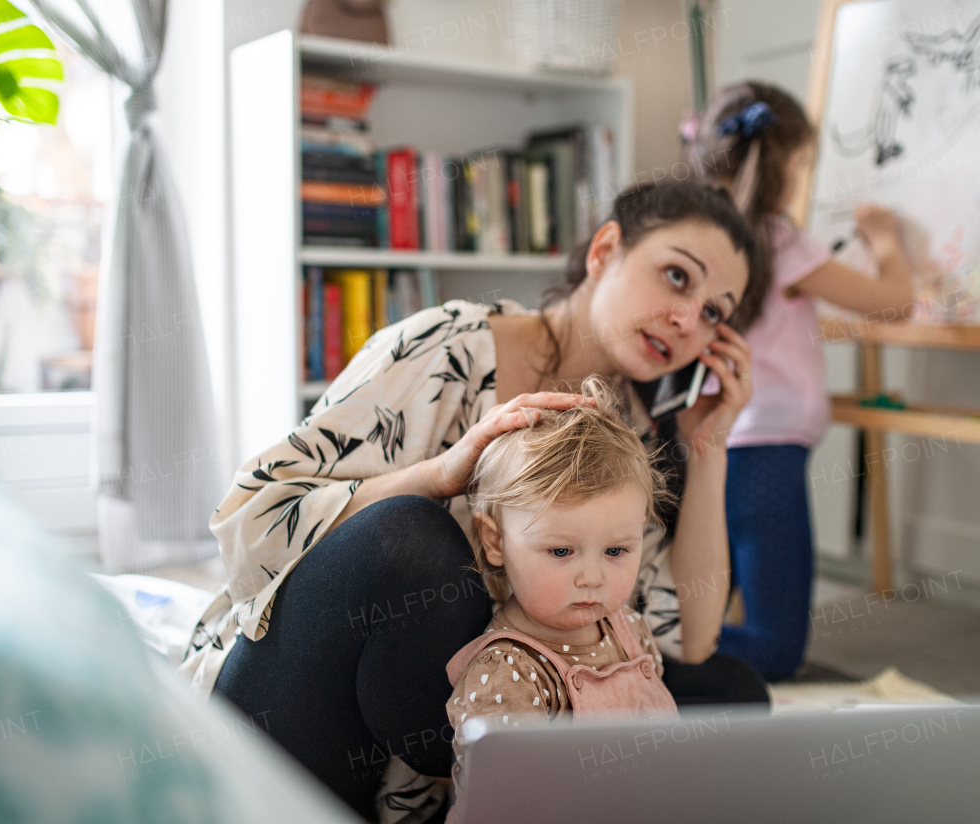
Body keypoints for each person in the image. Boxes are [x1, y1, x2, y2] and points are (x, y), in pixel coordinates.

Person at [184, 180, 770, 823]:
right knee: (413, 540)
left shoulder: (626, 435)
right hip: (307, 704)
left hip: (463, 728)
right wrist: (439, 474)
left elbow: (684, 638)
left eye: (717, 312)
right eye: (676, 277)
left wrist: (708, 445)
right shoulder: (450, 345)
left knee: (731, 692)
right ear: (605, 251)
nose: (688, 321)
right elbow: (250, 519)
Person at [686, 82, 915, 682]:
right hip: (767, 457)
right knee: (775, 645)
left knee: (702, 612)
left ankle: (648, 650)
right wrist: (887, 241)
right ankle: (635, 654)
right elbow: (892, 302)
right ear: (781, 164)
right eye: (803, 163)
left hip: (714, 447)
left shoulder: (705, 236)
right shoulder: (780, 240)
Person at [442, 376, 678, 819]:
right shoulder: (505, 672)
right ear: (495, 542)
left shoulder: (628, 629)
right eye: (561, 552)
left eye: (616, 551)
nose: (592, 578)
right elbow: (507, 804)